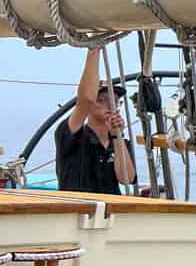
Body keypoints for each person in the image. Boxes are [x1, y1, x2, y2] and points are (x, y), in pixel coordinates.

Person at [55, 46, 136, 195]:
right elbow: (85, 99)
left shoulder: (120, 142)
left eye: (115, 101)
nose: (110, 105)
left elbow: (127, 178)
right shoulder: (72, 135)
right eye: (101, 100)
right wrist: (94, 49)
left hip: (111, 212)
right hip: (78, 212)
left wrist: (116, 136)